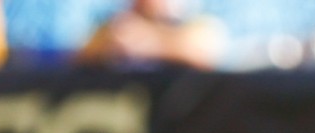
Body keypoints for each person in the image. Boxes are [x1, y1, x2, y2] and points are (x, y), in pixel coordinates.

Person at [73, 0, 226, 70]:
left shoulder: (196, 25)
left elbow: (207, 52)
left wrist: (151, 43)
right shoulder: (116, 26)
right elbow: (80, 56)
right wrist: (110, 42)